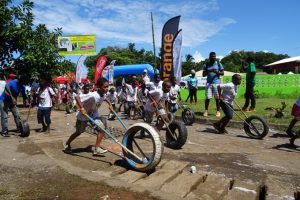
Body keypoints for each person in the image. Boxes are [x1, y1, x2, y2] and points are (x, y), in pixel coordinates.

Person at [63, 77, 110, 155]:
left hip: (93, 115)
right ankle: (67, 143)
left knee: (102, 129)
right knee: (78, 132)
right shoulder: (92, 95)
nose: (107, 89)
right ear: (99, 87)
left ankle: (97, 149)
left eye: (107, 86)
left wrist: (110, 105)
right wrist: (81, 108)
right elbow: (77, 97)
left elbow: (105, 98)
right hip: (83, 116)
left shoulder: (103, 94)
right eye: (105, 87)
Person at [202, 52, 224, 117]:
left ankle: (218, 111)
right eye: (212, 56)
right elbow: (203, 74)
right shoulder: (206, 65)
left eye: (214, 56)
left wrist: (217, 72)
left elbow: (222, 73)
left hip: (216, 83)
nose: (213, 57)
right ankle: (206, 111)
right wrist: (210, 70)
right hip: (209, 83)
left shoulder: (219, 64)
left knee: (217, 98)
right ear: (209, 57)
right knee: (208, 98)